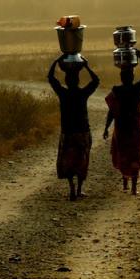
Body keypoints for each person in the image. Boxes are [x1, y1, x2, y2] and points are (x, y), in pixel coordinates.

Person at [48, 56, 100, 201]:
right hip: (83, 131)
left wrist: (56, 62)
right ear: (78, 81)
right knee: (82, 160)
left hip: (68, 132)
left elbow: (51, 78)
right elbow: (96, 81)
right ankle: (79, 189)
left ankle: (71, 187)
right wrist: (86, 66)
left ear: (66, 81)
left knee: (68, 160)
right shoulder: (83, 93)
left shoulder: (63, 94)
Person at [103, 50, 140, 195]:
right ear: (132, 76)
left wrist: (106, 127)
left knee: (123, 153)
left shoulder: (116, 91)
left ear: (121, 77)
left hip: (122, 126)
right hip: (135, 126)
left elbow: (111, 111)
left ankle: (125, 182)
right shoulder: (137, 88)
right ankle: (134, 187)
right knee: (135, 154)